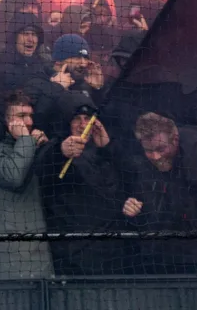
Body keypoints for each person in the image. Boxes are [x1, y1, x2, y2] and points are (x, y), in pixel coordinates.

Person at [35, 92, 129, 275]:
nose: (83, 124)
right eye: (76, 119)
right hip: (74, 256)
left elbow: (130, 177)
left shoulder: (104, 148)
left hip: (115, 252)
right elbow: (41, 174)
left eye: (87, 118)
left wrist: (108, 148)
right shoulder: (54, 149)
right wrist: (60, 153)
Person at [122, 113, 197, 274]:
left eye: (161, 149)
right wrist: (131, 209)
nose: (155, 156)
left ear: (175, 139)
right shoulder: (139, 165)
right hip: (152, 259)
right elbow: (144, 211)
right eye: (149, 150)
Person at [0, 91, 53, 277]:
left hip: (38, 250)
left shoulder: (28, 146)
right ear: (5, 120)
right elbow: (14, 175)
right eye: (21, 116)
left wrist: (45, 149)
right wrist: (28, 142)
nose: (28, 122)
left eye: (30, 116)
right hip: (8, 250)